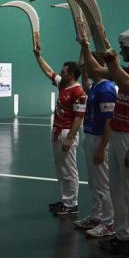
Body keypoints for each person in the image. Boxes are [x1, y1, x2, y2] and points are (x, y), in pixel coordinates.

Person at [81, 27, 129, 258]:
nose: (122, 51)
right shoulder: (127, 69)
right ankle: (123, 236)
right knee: (116, 190)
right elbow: (95, 69)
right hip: (118, 136)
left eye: (126, 46)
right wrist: (86, 45)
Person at [33, 45, 86, 216]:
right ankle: (64, 199)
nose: (60, 73)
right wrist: (38, 56)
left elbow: (78, 117)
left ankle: (72, 203)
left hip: (66, 133)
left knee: (69, 168)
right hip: (57, 131)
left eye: (64, 72)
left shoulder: (78, 92)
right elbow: (48, 71)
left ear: (71, 75)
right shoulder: (63, 85)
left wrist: (70, 139)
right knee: (60, 167)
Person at [74, 53, 116, 238]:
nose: (85, 66)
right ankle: (96, 216)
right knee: (94, 182)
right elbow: (87, 87)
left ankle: (109, 223)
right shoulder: (97, 86)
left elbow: (109, 122)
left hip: (100, 140)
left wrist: (101, 148)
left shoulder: (106, 89)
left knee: (103, 183)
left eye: (88, 64)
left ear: (97, 65)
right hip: (91, 137)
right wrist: (84, 71)